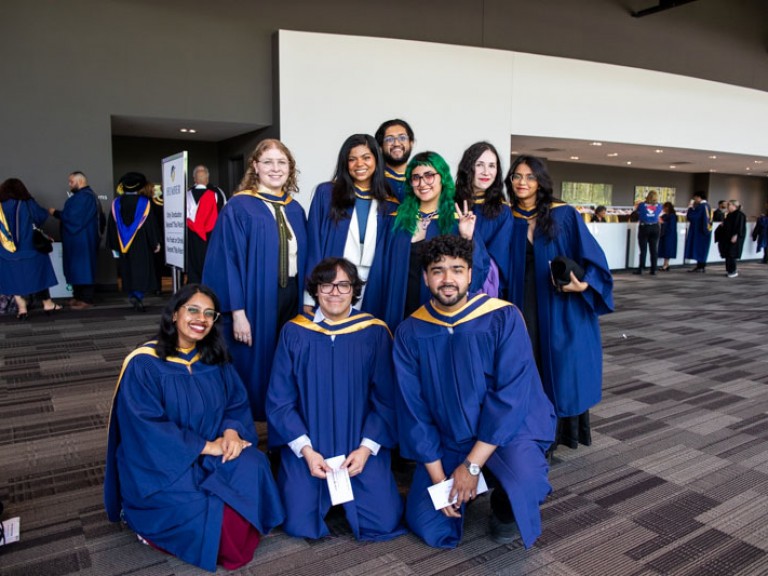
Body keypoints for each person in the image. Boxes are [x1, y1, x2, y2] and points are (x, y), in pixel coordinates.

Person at [104, 284, 284, 572]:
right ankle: (149, 526)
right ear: (175, 314)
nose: (201, 319)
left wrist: (231, 432)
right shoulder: (144, 365)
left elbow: (235, 403)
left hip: (214, 448)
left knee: (255, 464)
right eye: (193, 310)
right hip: (163, 462)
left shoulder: (213, 358)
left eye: (209, 314)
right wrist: (203, 446)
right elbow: (145, 427)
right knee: (216, 518)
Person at [393, 235, 555, 549]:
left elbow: (511, 397)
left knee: (526, 482)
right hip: (449, 436)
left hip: (507, 433)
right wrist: (439, 478)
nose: (447, 279)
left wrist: (471, 466)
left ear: (470, 274)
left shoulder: (502, 317)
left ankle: (502, 501)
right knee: (429, 523)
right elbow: (413, 409)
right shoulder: (410, 332)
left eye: (457, 269)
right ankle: (477, 479)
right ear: (426, 277)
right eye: (438, 270)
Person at [267, 257, 406, 542]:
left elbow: (386, 399)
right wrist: (305, 450)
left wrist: (367, 448)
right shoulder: (294, 332)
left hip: (358, 443)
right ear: (315, 290)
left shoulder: (374, 332)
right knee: (296, 520)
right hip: (310, 445)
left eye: (343, 285)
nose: (334, 292)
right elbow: (279, 400)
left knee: (384, 519)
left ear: (354, 290)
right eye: (326, 285)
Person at [505, 155, 613, 452]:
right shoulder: (505, 217)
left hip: (558, 305)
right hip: (519, 302)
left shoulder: (563, 215)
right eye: (517, 176)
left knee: (559, 367)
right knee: (525, 365)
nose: (522, 182)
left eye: (530, 176)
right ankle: (527, 435)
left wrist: (583, 284)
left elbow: (593, 257)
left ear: (541, 181)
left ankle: (553, 437)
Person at [203, 139, 307, 421]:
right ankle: (246, 428)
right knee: (253, 364)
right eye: (268, 162)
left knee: (285, 361)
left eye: (281, 162)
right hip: (254, 298)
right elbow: (228, 262)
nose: (275, 168)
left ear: (290, 168)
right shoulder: (240, 207)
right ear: (255, 167)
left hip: (291, 296)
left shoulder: (295, 209)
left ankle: (281, 420)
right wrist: (237, 313)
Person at [364, 151, 489, 331]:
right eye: (416, 178)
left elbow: (477, 274)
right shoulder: (398, 221)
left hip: (439, 310)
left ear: (442, 178)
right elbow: (380, 270)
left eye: (429, 175)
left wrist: (467, 238)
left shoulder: (457, 221)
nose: (422, 183)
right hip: (399, 306)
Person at [304, 134, 393, 310]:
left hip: (373, 283)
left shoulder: (389, 201)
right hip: (333, 284)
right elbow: (314, 244)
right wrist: (308, 298)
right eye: (352, 159)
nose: (360, 164)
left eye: (366, 157)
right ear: (345, 163)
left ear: (377, 160)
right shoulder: (327, 194)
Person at [454, 141, 513, 298]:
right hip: (448, 284)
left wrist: (469, 239)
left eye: (492, 166)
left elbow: (499, 260)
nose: (486, 172)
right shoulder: (450, 205)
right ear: (468, 167)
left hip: (484, 290)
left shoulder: (502, 211)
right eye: (479, 165)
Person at [0, 178, 62, 320]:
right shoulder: (27, 203)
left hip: (6, 252)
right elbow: (40, 217)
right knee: (40, 275)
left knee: (13, 279)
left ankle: (22, 309)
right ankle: (48, 304)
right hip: (30, 249)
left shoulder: (0, 206)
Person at [107, 172, 161, 311]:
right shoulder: (144, 203)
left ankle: (131, 293)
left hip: (122, 244)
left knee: (127, 269)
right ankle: (138, 295)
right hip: (141, 244)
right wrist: (155, 242)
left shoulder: (116, 203)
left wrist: (114, 245)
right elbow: (150, 225)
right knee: (141, 269)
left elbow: (112, 226)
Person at [48, 171, 101, 309]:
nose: (69, 184)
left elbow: (73, 218)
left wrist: (56, 213)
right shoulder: (83, 196)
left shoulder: (85, 197)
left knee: (84, 268)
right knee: (76, 268)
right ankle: (78, 296)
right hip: (77, 239)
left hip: (82, 239)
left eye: (71, 182)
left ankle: (87, 299)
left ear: (81, 181)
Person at [186, 165, 227, 284]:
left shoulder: (186, 195)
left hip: (192, 235)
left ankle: (193, 284)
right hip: (211, 235)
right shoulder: (217, 193)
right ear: (207, 179)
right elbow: (223, 213)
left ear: (194, 179)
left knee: (193, 261)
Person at [374, 119, 414, 202]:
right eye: (389, 139)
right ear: (380, 147)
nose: (396, 143)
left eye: (402, 138)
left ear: (411, 143)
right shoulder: (372, 179)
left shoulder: (423, 179)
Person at [633, 190, 662, 275]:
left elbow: (637, 212)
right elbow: (657, 213)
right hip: (655, 227)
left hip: (644, 227)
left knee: (643, 249)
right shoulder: (659, 205)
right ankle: (653, 269)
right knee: (654, 249)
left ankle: (641, 268)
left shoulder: (642, 205)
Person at [717, 199, 747, 278]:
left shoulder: (740, 215)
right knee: (728, 254)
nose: (727, 206)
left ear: (734, 206)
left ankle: (733, 270)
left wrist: (736, 235)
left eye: (729, 205)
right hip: (728, 238)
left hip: (734, 238)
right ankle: (729, 270)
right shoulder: (730, 214)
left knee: (732, 254)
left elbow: (740, 227)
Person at [684, 191, 713, 273]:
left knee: (699, 249)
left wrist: (690, 208)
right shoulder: (708, 206)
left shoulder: (701, 206)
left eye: (695, 198)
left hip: (699, 232)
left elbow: (692, 217)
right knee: (702, 249)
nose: (694, 199)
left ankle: (700, 266)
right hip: (705, 231)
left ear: (699, 197)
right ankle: (701, 266)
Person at [658, 201, 678, 271]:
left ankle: (665, 265)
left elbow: (670, 226)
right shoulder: (668, 215)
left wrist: (663, 222)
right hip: (667, 235)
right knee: (666, 250)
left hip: (669, 235)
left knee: (667, 250)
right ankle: (666, 264)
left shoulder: (671, 216)